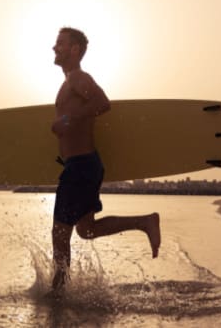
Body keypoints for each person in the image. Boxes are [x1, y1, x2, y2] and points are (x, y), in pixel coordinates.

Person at [50, 27, 161, 292]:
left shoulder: (78, 78)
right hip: (82, 164)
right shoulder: (69, 82)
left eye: (61, 43)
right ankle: (144, 221)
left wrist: (68, 119)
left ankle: (58, 292)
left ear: (75, 49)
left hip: (81, 165)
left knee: (60, 231)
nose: (55, 48)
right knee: (85, 230)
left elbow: (102, 102)